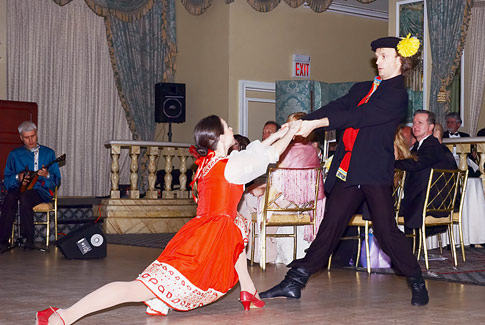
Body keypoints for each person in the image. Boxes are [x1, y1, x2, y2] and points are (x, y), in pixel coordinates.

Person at [35, 115, 301, 325]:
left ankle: (248, 290)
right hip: (208, 239)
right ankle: (64, 316)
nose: (232, 129)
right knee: (137, 288)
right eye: (228, 127)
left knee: (238, 229)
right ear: (220, 137)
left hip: (206, 229)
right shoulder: (231, 165)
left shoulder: (210, 163)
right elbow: (267, 156)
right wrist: (291, 133)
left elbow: (255, 152)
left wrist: (282, 132)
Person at [259, 35, 430, 306]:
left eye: (384, 56)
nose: (378, 60)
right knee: (330, 226)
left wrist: (316, 125)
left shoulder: (396, 96)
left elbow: (358, 117)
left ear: (401, 61)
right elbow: (339, 107)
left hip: (373, 171)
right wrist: (303, 121)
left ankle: (416, 278)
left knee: (386, 231)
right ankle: (295, 281)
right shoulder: (365, 87)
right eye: (377, 56)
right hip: (348, 171)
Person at [0, 121, 61, 253]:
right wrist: (18, 177)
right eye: (27, 137)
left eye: (33, 136)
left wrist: (47, 175)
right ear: (21, 138)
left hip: (40, 190)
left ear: (36, 134)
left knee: (26, 197)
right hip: (19, 188)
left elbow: (56, 180)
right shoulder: (14, 155)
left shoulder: (48, 153)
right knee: (10, 197)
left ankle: (29, 239)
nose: (31, 140)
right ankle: (3, 241)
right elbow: (7, 179)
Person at [395, 110, 457, 233]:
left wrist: (393, 163)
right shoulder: (422, 146)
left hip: (432, 204)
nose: (415, 126)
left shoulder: (431, 146)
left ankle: (400, 248)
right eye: (414, 123)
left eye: (420, 123)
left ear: (430, 127)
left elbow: (417, 164)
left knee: (382, 207)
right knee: (386, 205)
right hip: (429, 201)